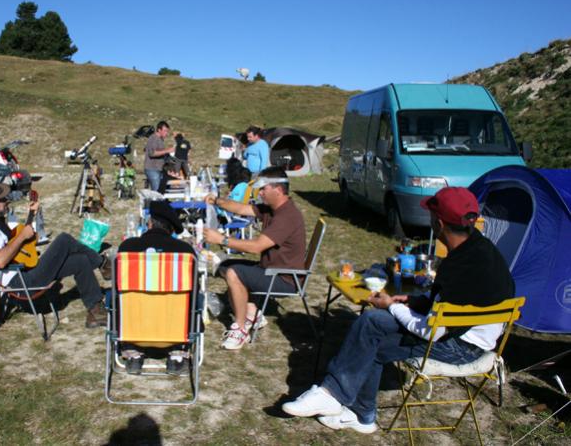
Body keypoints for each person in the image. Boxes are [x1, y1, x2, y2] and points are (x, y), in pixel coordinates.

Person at [282, 187, 515, 435]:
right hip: (469, 335)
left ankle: (344, 402)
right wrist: (414, 301)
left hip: (460, 347)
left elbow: (432, 332)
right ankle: (347, 405)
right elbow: (451, 303)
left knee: (372, 335)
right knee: (371, 327)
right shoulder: (480, 249)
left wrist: (391, 305)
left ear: (438, 223)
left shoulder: (459, 268)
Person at [0, 182, 108, 329]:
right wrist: (22, 236)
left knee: (80, 261)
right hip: (20, 282)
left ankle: (96, 312)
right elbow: (0, 260)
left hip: (25, 271)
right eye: (2, 199)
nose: (7, 201)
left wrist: (32, 215)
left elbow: (21, 246)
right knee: (64, 240)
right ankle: (103, 264)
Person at [203, 166, 305, 350]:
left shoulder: (286, 216)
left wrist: (222, 239)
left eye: (263, 189)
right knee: (225, 265)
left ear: (278, 190)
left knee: (233, 272)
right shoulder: (272, 208)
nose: (260, 193)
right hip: (269, 270)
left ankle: (240, 329)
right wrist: (217, 200)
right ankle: (252, 313)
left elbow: (257, 246)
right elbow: (242, 208)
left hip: (284, 278)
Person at [117, 200, 196, 375]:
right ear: (172, 230)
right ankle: (176, 354)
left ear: (149, 223)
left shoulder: (127, 248)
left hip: (133, 330)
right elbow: (194, 293)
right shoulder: (184, 252)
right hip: (175, 331)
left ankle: (133, 352)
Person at [143, 121, 175, 191]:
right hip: (152, 169)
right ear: (159, 130)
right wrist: (167, 150)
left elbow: (161, 153)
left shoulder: (160, 140)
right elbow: (152, 153)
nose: (166, 133)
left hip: (158, 169)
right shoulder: (154, 138)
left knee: (160, 191)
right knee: (157, 193)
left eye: (167, 131)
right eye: (165, 131)